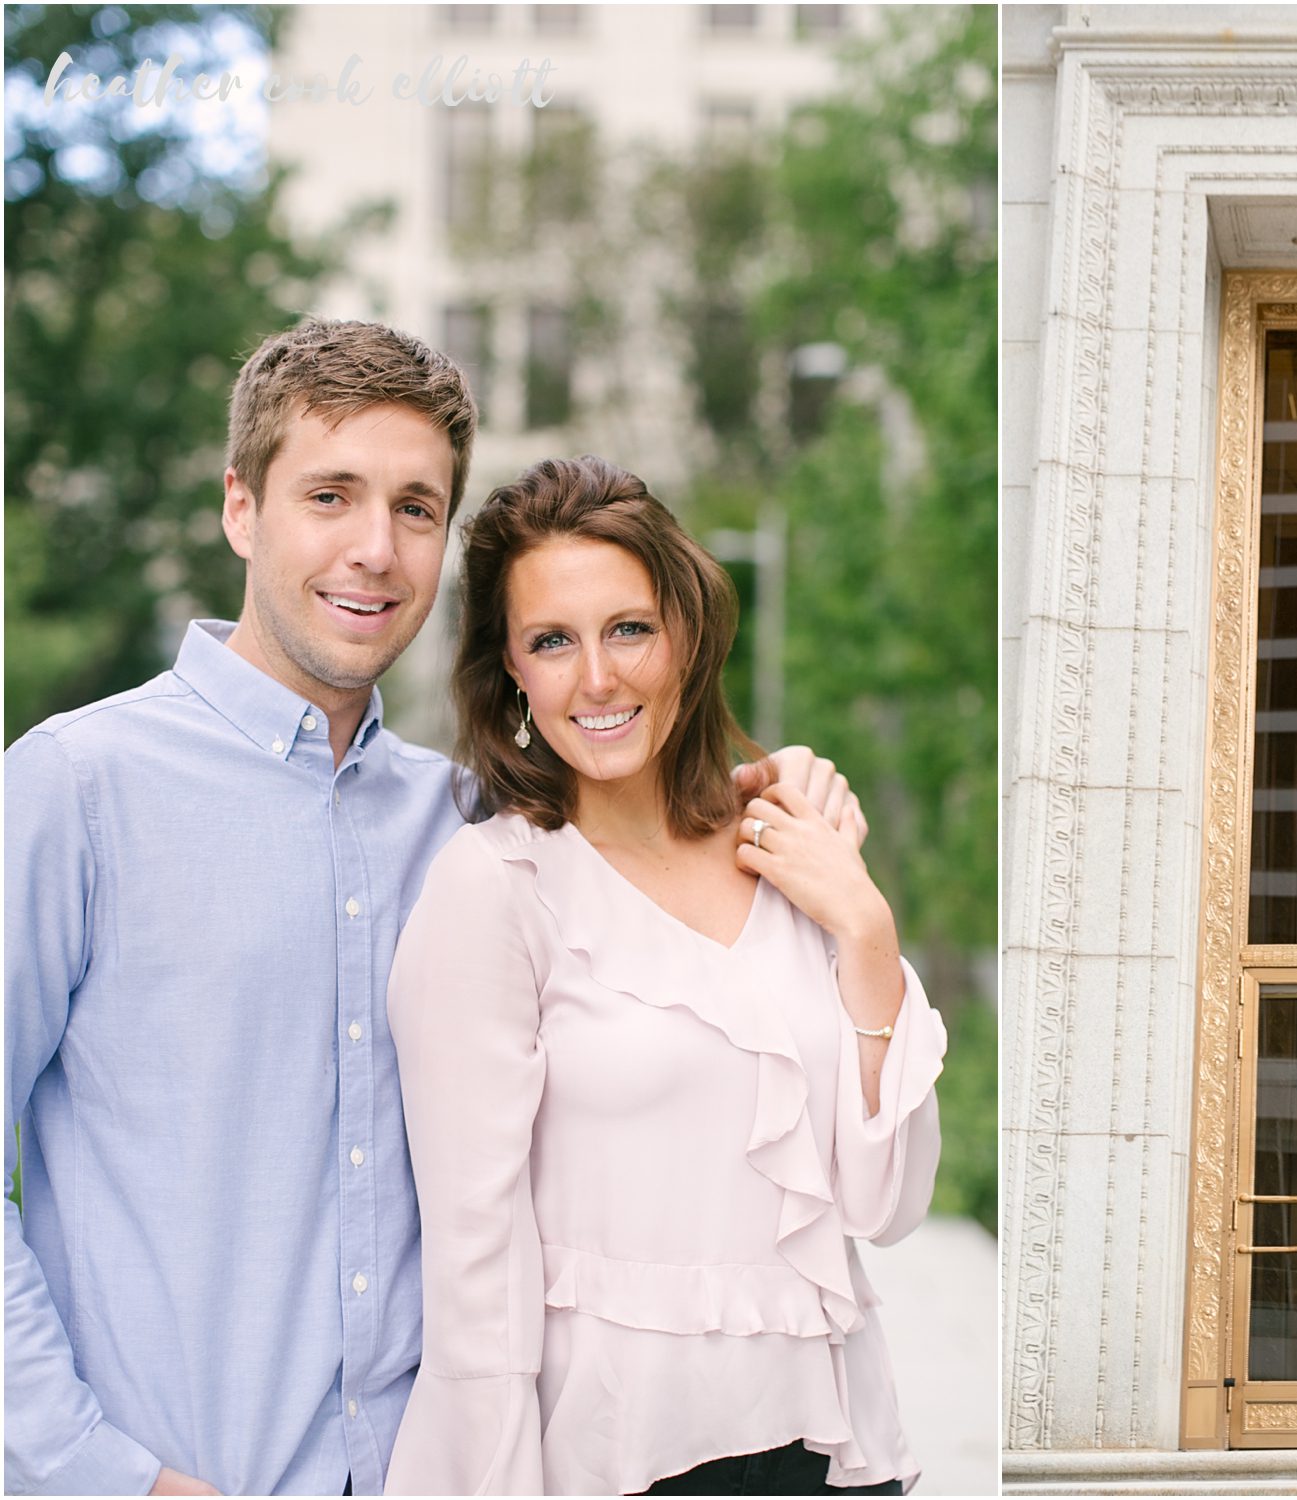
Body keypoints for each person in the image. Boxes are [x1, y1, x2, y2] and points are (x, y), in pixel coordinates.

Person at [4, 319, 857, 1497]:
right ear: (241, 510)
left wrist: (782, 790)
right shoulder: (75, 789)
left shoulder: (473, 828)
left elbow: (652, 834)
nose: (375, 549)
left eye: (415, 508)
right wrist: (98, 1471)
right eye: (331, 495)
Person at [381, 456, 944, 1496]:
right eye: (552, 641)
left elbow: (885, 1204)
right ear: (510, 672)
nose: (596, 678)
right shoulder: (496, 890)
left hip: (835, 1454)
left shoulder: (786, 849)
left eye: (628, 628)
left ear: (685, 635)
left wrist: (864, 927)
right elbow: (474, 1271)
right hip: (619, 1462)